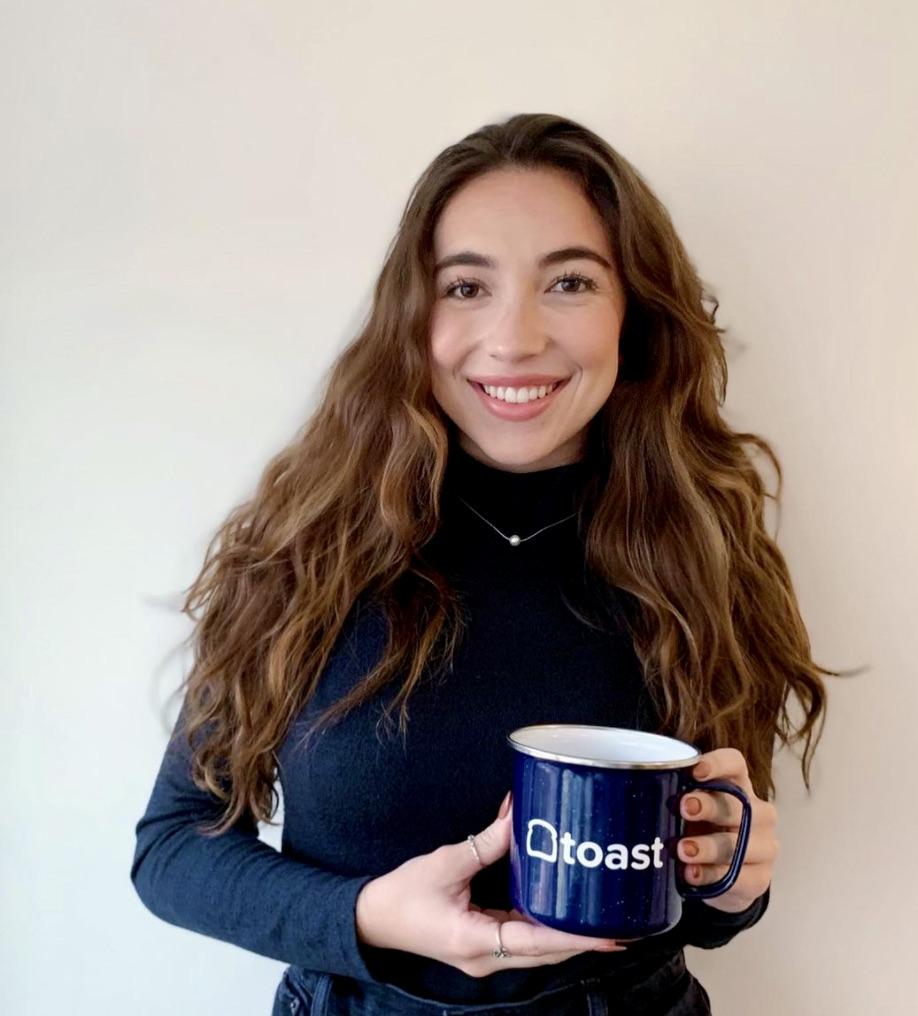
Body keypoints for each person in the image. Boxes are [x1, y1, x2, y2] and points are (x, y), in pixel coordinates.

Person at [130, 112, 839, 1015]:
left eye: (571, 282)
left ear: (636, 314)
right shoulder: (312, 542)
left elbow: (702, 896)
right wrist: (366, 915)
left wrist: (735, 883)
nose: (514, 338)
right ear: (413, 315)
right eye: (467, 286)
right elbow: (174, 847)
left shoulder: (703, 547)